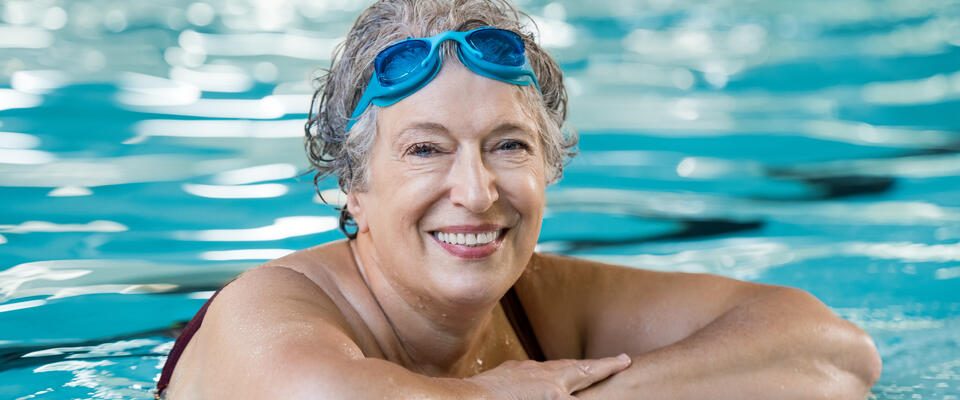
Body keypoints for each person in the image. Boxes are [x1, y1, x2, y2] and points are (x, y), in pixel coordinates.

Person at [155, 0, 882, 398]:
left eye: (508, 145)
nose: (476, 192)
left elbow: (837, 358)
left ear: (549, 167)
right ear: (352, 186)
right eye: (425, 149)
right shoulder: (272, 308)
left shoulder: (540, 304)